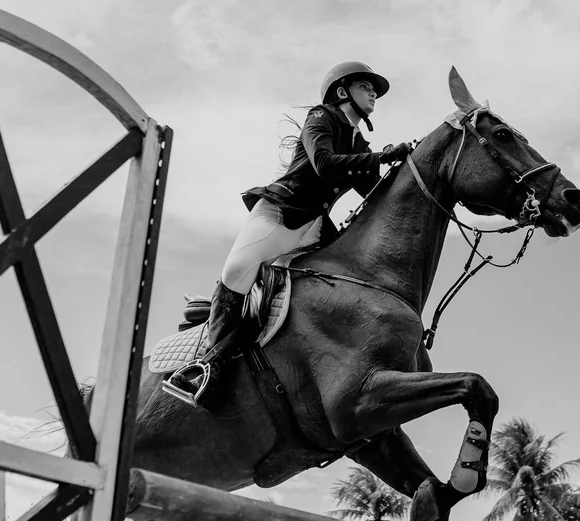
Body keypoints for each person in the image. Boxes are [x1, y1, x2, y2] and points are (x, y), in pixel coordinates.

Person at [168, 61, 414, 404]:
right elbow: (324, 164)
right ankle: (207, 365)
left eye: (374, 89)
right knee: (237, 271)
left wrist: (410, 174)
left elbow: (375, 194)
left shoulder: (359, 141)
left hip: (314, 227)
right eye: (365, 86)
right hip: (279, 215)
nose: (374, 92)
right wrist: (382, 156)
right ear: (343, 92)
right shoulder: (321, 118)